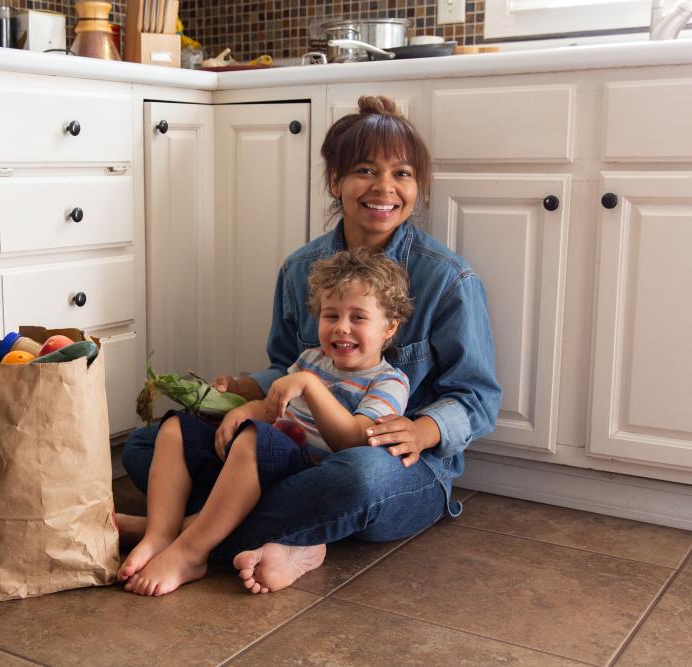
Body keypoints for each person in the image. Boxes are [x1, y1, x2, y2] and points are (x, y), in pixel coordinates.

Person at [119, 95, 501, 594]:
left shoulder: (448, 279)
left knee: (362, 479)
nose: (384, 188)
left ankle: (182, 533)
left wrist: (424, 431)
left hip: (396, 464)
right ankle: (296, 538)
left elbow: (477, 398)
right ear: (335, 181)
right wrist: (243, 390)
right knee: (148, 445)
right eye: (365, 170)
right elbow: (287, 369)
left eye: (402, 174)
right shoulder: (301, 269)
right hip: (302, 452)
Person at [118, 248, 414, 596]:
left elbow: (352, 440)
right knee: (174, 429)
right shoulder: (311, 358)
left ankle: (191, 551)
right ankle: (160, 535)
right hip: (259, 461)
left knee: (256, 442)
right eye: (330, 315)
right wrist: (242, 412)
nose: (341, 328)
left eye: (358, 317)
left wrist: (311, 386)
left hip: (303, 474)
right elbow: (272, 408)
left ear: (390, 327)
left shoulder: (388, 382)